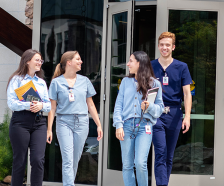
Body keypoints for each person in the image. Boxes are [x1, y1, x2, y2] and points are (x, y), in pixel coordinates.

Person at [47, 51, 103, 186]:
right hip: (64, 122)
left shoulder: (85, 81)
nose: (81, 61)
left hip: (82, 122)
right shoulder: (56, 83)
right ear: (69, 62)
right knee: (67, 159)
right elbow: (52, 108)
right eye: (78, 59)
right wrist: (49, 129)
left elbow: (90, 104)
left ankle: (69, 183)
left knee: (75, 158)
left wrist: (98, 124)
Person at [113, 51, 164, 186]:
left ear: (139, 63)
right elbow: (118, 105)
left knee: (140, 163)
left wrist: (150, 106)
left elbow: (160, 109)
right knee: (127, 165)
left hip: (145, 126)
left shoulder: (155, 84)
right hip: (126, 126)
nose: (128, 64)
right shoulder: (125, 81)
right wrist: (118, 125)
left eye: (131, 61)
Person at [150, 32, 192, 186]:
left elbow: (187, 94)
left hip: (174, 114)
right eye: (162, 44)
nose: (164, 47)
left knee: (168, 156)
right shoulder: (151, 65)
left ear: (173, 47)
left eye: (167, 45)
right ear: (158, 46)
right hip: (156, 114)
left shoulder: (182, 67)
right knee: (160, 153)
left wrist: (187, 116)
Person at [6, 49, 51, 186]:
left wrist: (41, 106)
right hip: (20, 122)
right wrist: (29, 105)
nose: (40, 63)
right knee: (20, 160)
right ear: (27, 61)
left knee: (38, 160)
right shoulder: (16, 80)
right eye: (37, 60)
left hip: (39, 123)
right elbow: (11, 103)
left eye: (41, 60)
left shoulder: (41, 82)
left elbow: (48, 105)